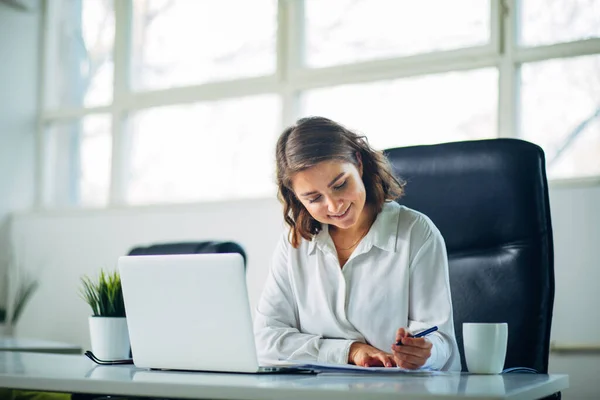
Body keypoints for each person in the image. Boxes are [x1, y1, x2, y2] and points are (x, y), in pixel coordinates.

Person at [254, 116, 461, 371]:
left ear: (358, 163)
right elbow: (265, 339)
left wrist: (424, 353)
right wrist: (349, 351)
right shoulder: (295, 243)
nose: (334, 205)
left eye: (340, 185)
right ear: (296, 199)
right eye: (314, 198)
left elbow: (441, 342)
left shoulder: (416, 232)